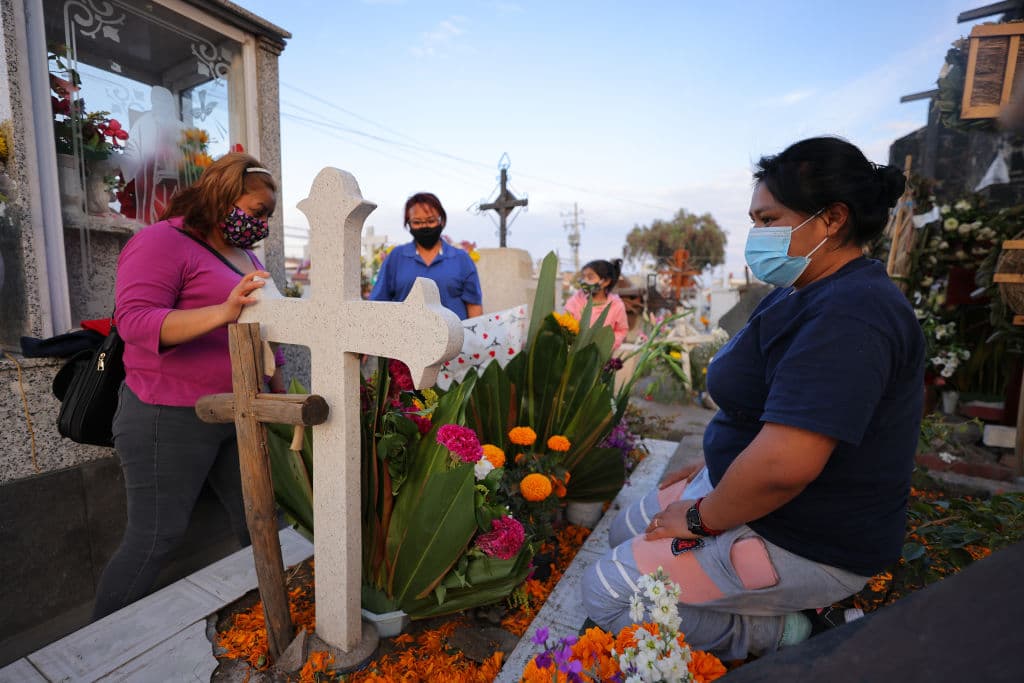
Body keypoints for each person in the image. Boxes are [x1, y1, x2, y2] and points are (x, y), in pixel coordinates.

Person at [582, 136, 925, 660]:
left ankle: (795, 630)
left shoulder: (851, 315)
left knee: (606, 593)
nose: (756, 234)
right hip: (751, 489)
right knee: (626, 527)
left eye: (769, 220)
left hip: (805, 533)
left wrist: (702, 518)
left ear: (832, 219)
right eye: (755, 220)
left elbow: (783, 467)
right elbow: (766, 409)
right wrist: (712, 461)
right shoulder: (804, 290)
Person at [93, 152, 282, 619]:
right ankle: (90, 650)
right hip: (169, 413)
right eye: (257, 212)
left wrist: (273, 385)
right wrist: (223, 311)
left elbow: (260, 328)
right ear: (221, 195)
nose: (262, 224)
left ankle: (270, 619)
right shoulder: (162, 242)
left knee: (262, 521)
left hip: (238, 410)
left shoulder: (244, 254)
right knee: (156, 537)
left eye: (267, 217)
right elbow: (135, 321)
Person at [370, 192, 483, 320]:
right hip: (406, 337)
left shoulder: (461, 259)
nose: (424, 226)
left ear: (441, 220)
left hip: (453, 338)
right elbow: (378, 304)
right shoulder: (396, 258)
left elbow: (474, 305)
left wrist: (473, 338)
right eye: (417, 222)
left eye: (431, 221)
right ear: (408, 224)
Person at [564, 258, 629, 349]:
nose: (584, 281)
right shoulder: (575, 301)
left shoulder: (616, 306)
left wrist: (605, 344)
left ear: (606, 281)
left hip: (601, 357)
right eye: (583, 277)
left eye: (590, 277)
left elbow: (621, 331)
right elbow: (566, 324)